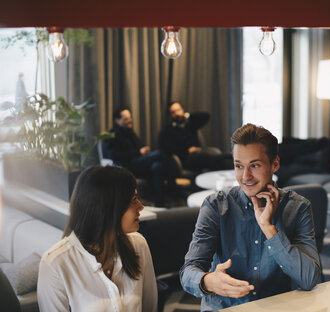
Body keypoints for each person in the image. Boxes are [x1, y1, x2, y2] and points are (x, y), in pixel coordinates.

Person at [180, 123, 322, 311]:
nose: (245, 176)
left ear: (275, 164)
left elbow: (309, 279)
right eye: (239, 166)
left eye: (254, 165)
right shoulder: (216, 206)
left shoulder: (298, 208)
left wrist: (269, 229)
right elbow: (188, 272)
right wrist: (208, 281)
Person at [37, 166, 158, 312]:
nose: (141, 207)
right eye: (133, 200)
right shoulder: (55, 264)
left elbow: (150, 308)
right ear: (107, 207)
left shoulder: (138, 245)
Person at [106, 108, 181, 206]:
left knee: (157, 166)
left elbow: (140, 147)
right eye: (126, 119)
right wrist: (139, 152)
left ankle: (159, 203)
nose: (130, 120)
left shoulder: (130, 132)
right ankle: (173, 184)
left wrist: (144, 150)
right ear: (117, 121)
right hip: (127, 166)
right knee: (159, 154)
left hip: (140, 164)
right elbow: (115, 155)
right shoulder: (112, 135)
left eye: (130, 118)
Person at [159, 101, 232, 172]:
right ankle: (227, 156)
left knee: (223, 162)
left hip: (200, 153)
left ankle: (226, 161)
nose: (177, 114)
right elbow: (169, 149)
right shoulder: (168, 130)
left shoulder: (191, 124)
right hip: (186, 159)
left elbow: (206, 116)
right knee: (211, 159)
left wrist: (188, 115)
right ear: (170, 115)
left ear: (182, 110)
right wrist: (187, 151)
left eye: (178, 110)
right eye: (173, 112)